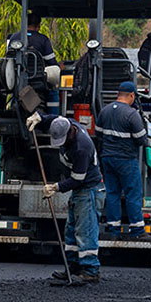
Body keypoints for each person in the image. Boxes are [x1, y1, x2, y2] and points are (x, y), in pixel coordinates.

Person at [27, 112, 104, 283]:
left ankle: (90, 270)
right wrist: (39, 117)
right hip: (80, 191)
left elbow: (78, 179)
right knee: (71, 230)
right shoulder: (67, 124)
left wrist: (56, 187)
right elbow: (56, 118)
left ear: (70, 133)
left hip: (89, 189)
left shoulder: (82, 147)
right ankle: (73, 268)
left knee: (86, 230)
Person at [95, 81, 147, 237]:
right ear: (131, 95)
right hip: (126, 160)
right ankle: (137, 229)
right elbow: (141, 140)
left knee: (112, 193)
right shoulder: (132, 114)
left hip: (107, 158)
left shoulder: (104, 111)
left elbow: (98, 134)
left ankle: (113, 228)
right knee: (133, 192)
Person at [7, 12, 60, 114]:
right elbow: (52, 63)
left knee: (15, 93)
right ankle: (53, 117)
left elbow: (8, 60)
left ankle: (13, 107)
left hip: (17, 82)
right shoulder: (43, 40)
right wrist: (59, 67)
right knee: (53, 90)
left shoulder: (13, 38)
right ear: (38, 26)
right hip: (38, 82)